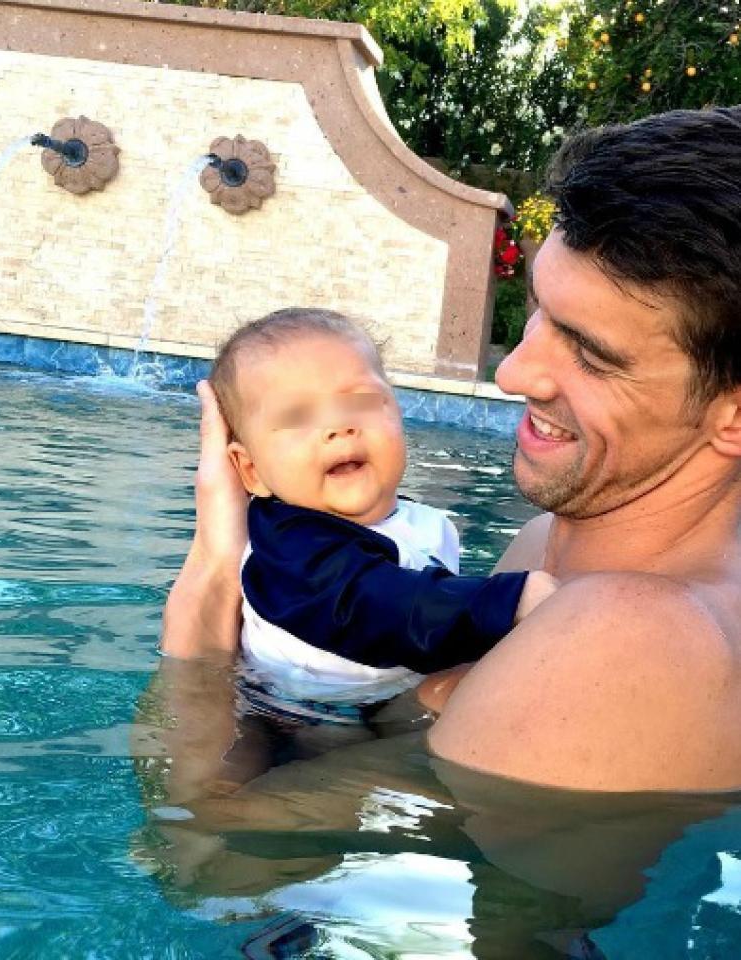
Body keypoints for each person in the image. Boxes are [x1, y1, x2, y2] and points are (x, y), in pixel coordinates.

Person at [162, 106, 741, 793]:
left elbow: (205, 861)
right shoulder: (542, 547)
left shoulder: (624, 638)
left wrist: (209, 577)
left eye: (590, 352)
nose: (513, 372)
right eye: (536, 312)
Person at [205, 307, 558, 716]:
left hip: (379, 704)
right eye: (297, 416)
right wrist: (506, 601)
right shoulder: (290, 546)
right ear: (251, 470)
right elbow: (375, 604)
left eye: (362, 401)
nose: (339, 425)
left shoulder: (408, 520)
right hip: (291, 718)